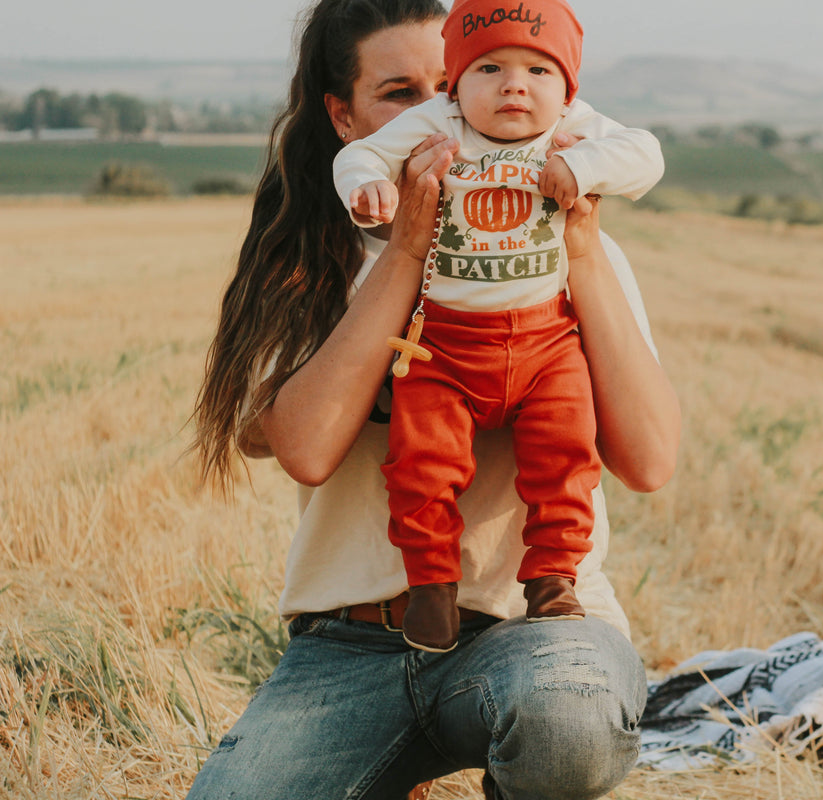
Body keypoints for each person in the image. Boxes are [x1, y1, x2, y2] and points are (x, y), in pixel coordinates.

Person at [186, 0, 679, 798]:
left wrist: (581, 250)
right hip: (353, 643)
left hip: (537, 633)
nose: (436, 116)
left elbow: (650, 460)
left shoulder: (571, 254)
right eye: (399, 94)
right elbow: (307, 450)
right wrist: (410, 248)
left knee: (571, 726)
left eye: (449, 85)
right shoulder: (310, 260)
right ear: (346, 119)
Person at [331, 0, 664, 653]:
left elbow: (644, 155)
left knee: (565, 452)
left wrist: (584, 167)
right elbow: (360, 157)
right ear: (457, 80)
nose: (515, 84)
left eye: (539, 69)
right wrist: (367, 186)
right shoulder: (438, 123)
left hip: (546, 339)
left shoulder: (570, 127)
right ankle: (431, 587)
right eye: (490, 67)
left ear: (567, 87)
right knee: (420, 462)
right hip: (445, 342)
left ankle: (551, 579)